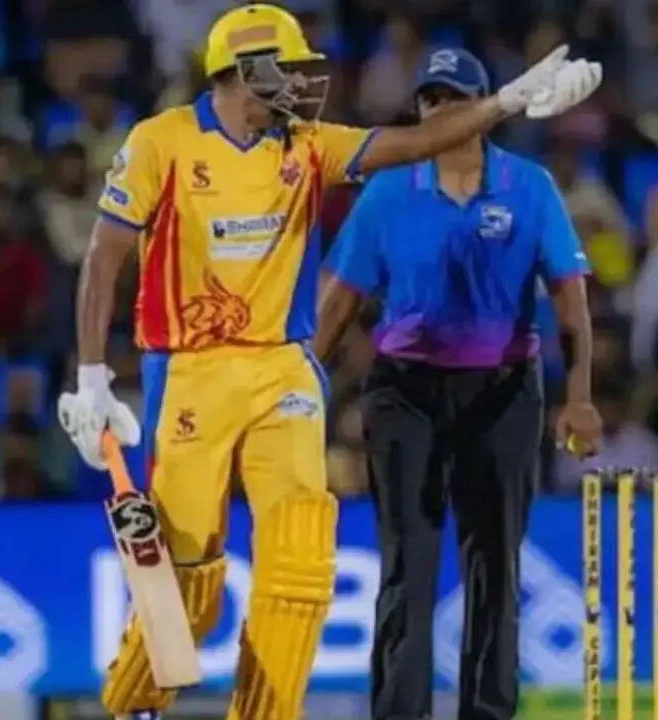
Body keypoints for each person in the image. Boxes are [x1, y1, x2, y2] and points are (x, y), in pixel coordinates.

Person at [53, 6, 602, 720]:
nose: (306, 83)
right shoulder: (163, 142)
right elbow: (104, 257)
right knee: (187, 588)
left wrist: (506, 102)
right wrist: (92, 375)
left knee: (300, 567)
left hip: (283, 367)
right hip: (190, 369)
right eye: (291, 69)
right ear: (246, 69)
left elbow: (416, 142)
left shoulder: (309, 145)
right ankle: (135, 705)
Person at [313, 47, 602, 720]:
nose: (441, 110)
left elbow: (570, 297)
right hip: (405, 393)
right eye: (431, 100)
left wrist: (580, 395)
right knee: (407, 564)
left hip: (502, 392)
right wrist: (296, 389)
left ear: (484, 109)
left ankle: (488, 713)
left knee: (494, 564)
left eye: (455, 99)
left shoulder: (529, 186)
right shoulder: (390, 190)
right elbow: (339, 299)